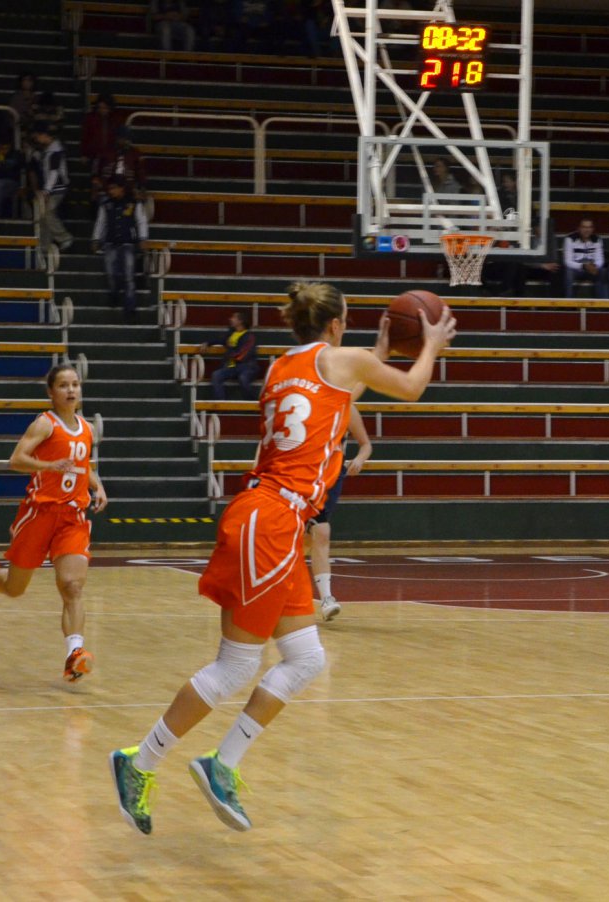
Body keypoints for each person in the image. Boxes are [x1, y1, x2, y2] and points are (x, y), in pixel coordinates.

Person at [110, 282, 456, 835]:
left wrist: (378, 353)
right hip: (272, 519)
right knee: (235, 666)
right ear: (337, 324)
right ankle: (140, 760)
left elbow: (336, 397)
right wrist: (430, 343)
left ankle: (221, 763)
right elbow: (412, 389)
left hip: (272, 519)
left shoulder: (281, 366)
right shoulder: (342, 360)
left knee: (306, 657)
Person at [0, 365, 109, 681]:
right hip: (39, 514)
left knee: (72, 586)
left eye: (75, 384)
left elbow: (83, 466)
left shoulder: (87, 428)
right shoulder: (45, 424)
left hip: (72, 517)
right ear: (51, 392)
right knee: (15, 588)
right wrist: (49, 465)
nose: (71, 390)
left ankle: (75, 653)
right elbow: (16, 459)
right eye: (63, 385)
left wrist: (97, 486)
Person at [307, 404, 372, 621]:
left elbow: (366, 445)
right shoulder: (305, 401)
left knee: (321, 532)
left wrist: (359, 460)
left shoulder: (346, 407)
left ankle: (326, 598)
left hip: (331, 476)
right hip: (304, 471)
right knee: (299, 536)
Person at [92, 177, 148, 321]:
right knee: (111, 273)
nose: (111, 191)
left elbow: (141, 221)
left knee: (129, 277)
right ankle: (114, 293)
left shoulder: (133, 203)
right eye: (110, 189)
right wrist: (96, 239)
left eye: (113, 188)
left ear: (121, 188)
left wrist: (142, 238)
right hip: (110, 243)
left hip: (128, 243)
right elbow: (101, 222)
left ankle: (130, 307)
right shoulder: (106, 204)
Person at [29, 123, 73, 251]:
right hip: (51, 188)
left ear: (44, 135)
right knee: (43, 216)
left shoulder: (56, 151)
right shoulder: (48, 150)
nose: (37, 139)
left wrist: (47, 191)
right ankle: (44, 245)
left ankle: (64, 237)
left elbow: (54, 172)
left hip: (57, 188)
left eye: (38, 136)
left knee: (48, 213)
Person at [199, 311, 260, 401]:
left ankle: (252, 403)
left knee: (243, 378)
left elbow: (243, 354)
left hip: (247, 367)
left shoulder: (249, 337)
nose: (231, 319)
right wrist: (208, 343)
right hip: (232, 365)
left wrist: (229, 355)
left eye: (234, 318)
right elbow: (220, 340)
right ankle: (221, 403)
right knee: (216, 375)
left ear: (241, 321)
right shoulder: (231, 334)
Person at [561, 218, 606, 298]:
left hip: (592, 269)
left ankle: (602, 302)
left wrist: (594, 266)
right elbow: (567, 261)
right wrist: (583, 266)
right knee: (568, 272)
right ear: (578, 228)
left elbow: (600, 260)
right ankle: (568, 301)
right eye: (584, 227)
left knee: (603, 272)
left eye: (589, 227)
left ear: (592, 229)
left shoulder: (597, 239)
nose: (587, 230)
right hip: (576, 270)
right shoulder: (570, 239)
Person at [80, 93, 124, 167]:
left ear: (110, 108)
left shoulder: (116, 119)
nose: (102, 110)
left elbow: (119, 137)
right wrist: (84, 154)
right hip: (94, 155)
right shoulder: (90, 118)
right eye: (100, 108)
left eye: (105, 108)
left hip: (111, 155)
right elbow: (85, 137)